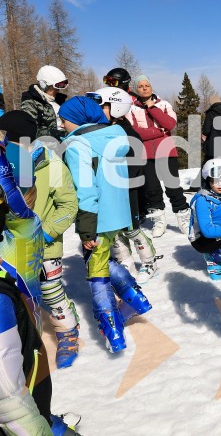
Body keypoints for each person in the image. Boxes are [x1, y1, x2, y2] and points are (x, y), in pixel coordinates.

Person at [0, 143, 80, 435]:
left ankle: (46, 415)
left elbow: (67, 204)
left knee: (35, 386)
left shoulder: (24, 226)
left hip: (27, 340)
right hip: (14, 348)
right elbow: (7, 400)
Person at [60, 96, 151, 353]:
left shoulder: (79, 145)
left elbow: (86, 189)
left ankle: (113, 331)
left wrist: (87, 227)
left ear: (76, 120)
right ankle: (135, 298)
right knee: (101, 259)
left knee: (96, 273)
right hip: (117, 215)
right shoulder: (115, 136)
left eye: (64, 119)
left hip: (97, 218)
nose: (63, 124)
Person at [0, 110, 81, 368]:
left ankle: (67, 331)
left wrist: (45, 233)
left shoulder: (50, 164)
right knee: (15, 297)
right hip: (9, 246)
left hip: (43, 246)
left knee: (50, 290)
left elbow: (67, 205)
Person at [87, 87, 160, 284]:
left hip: (126, 189)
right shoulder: (99, 129)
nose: (96, 110)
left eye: (101, 106)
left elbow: (136, 162)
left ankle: (149, 262)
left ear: (116, 108)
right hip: (108, 190)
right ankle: (126, 263)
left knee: (131, 228)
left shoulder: (126, 132)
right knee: (114, 231)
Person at [126, 74, 190, 237]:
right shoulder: (131, 108)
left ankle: (183, 217)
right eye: (140, 86)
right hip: (145, 155)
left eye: (147, 85)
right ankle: (159, 220)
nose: (144, 88)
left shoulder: (164, 104)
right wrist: (158, 131)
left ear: (151, 87)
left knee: (173, 187)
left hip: (167, 151)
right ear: (136, 89)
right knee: (151, 189)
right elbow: (134, 132)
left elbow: (169, 124)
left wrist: (151, 107)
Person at [19, 65, 69, 141]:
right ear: (44, 85)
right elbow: (30, 128)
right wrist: (53, 134)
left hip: (65, 140)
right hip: (46, 145)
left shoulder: (59, 100)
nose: (58, 90)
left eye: (59, 87)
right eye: (54, 87)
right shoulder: (31, 102)